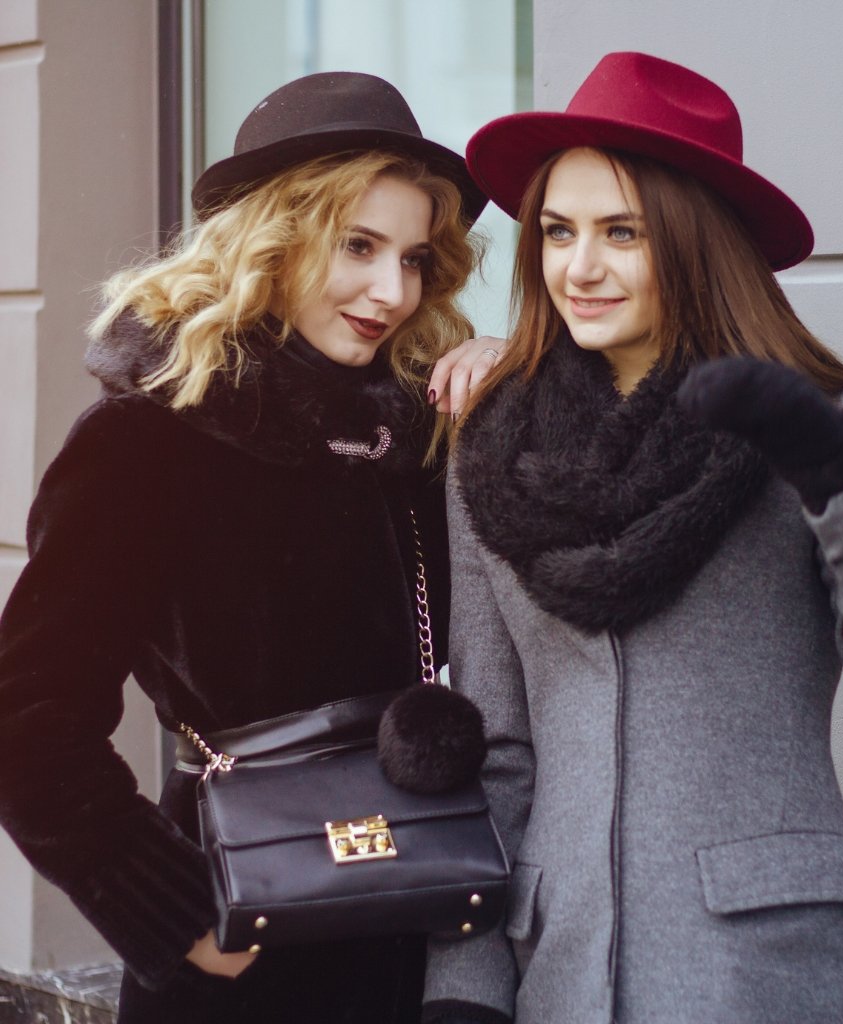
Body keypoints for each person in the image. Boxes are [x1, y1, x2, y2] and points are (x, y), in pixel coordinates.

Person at [421, 52, 843, 1024]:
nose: (579, 268)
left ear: (697, 239)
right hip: (561, 973)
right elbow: (496, 751)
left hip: (766, 971)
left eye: (621, 232)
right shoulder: (496, 445)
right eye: (558, 231)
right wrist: (464, 988)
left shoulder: (821, 421)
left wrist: (842, 480)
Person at [0, 71, 501, 1024]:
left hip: (418, 921)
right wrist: (180, 918)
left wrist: (518, 381)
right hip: (247, 938)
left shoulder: (419, 431)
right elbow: (26, 716)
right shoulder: (147, 438)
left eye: (414, 259)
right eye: (358, 245)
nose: (392, 292)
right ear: (273, 235)